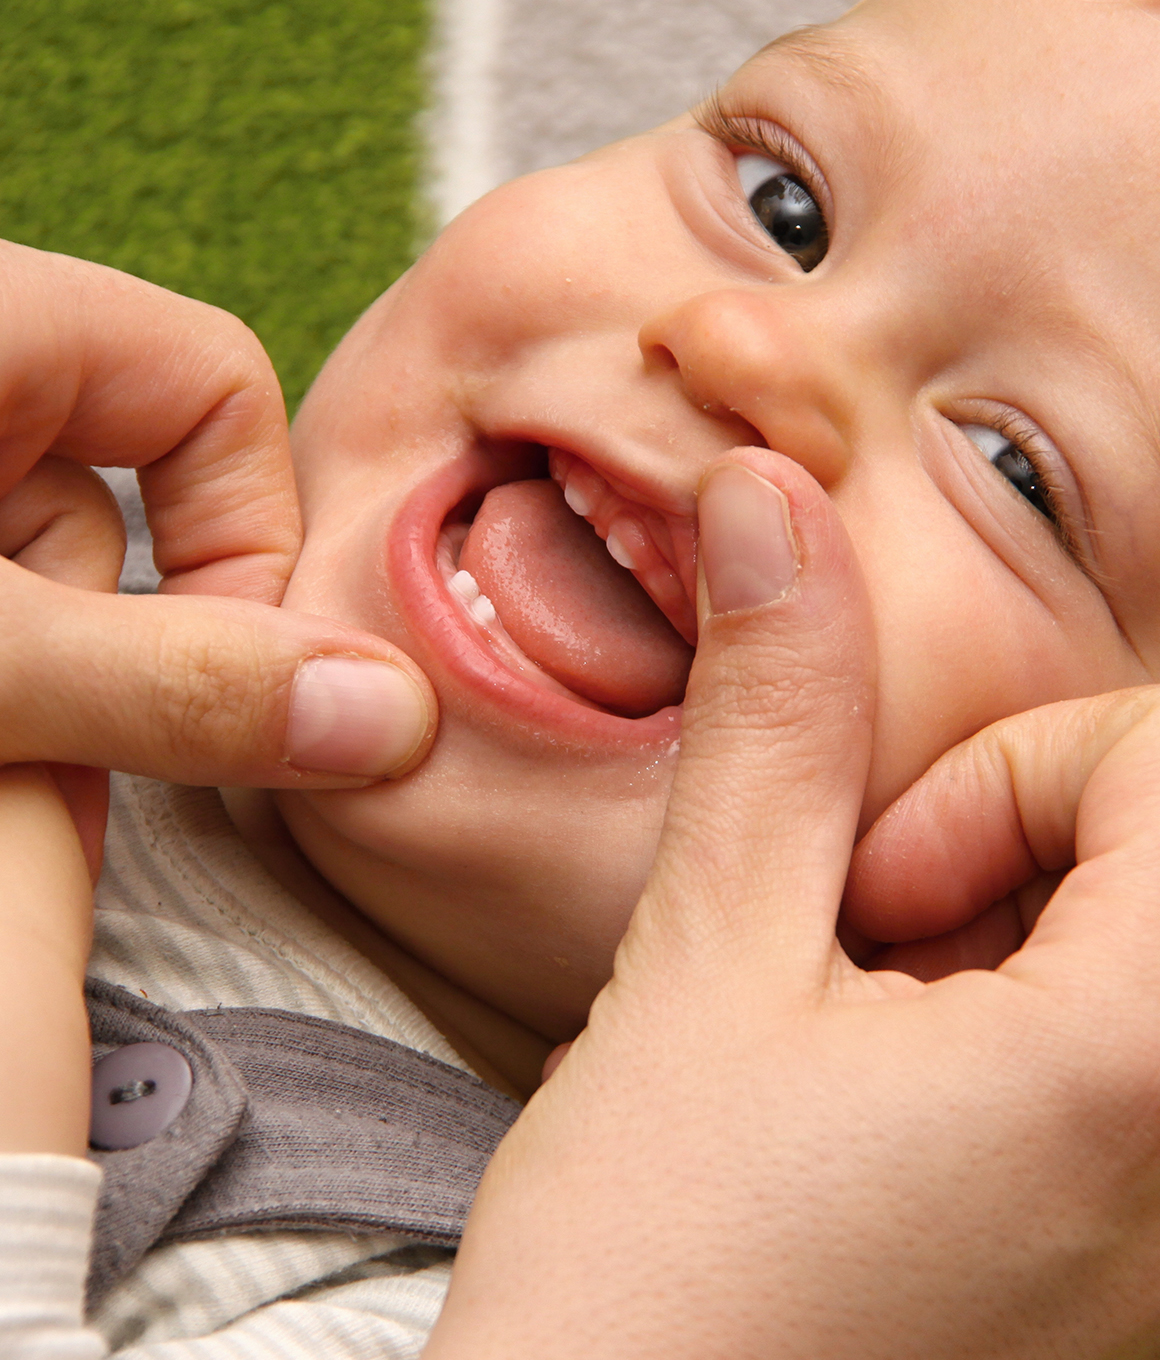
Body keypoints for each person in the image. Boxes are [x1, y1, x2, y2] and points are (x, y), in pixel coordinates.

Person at [7, 0, 1160, 1353]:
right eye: (783, 204)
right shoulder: (47, 520)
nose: (751, 352)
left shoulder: (501, 1298)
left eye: (1018, 472)